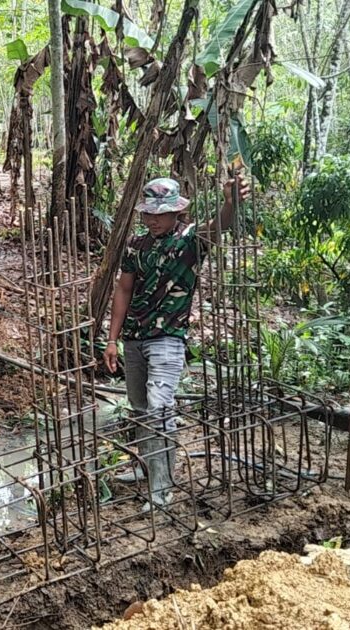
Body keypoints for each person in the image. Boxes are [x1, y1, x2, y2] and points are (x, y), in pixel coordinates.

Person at [103, 175, 250, 511]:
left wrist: (231, 203)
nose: (153, 218)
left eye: (161, 212)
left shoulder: (189, 240)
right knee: (141, 409)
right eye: (149, 213)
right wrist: (112, 340)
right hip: (135, 337)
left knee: (159, 408)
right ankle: (149, 469)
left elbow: (219, 226)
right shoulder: (136, 246)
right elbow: (123, 290)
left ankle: (161, 490)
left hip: (167, 339)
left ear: (176, 213)